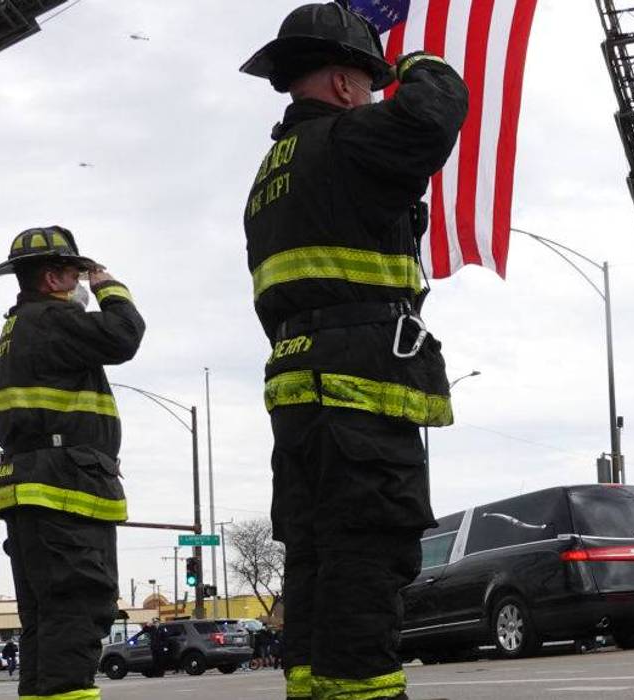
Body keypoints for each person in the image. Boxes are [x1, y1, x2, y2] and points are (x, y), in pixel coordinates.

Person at [239, 4, 468, 700]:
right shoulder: (348, 139)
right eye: (367, 81)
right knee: (366, 562)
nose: (374, 93)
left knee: (315, 563)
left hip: (301, 393)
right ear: (342, 86)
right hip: (357, 391)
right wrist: (410, 58)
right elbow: (434, 111)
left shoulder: (271, 171)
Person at [0, 226, 145, 700]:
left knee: (47, 622)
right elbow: (125, 335)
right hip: (65, 491)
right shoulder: (53, 319)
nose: (83, 283)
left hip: (35, 489)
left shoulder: (20, 326)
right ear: (53, 277)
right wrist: (109, 287)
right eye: (77, 273)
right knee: (77, 611)